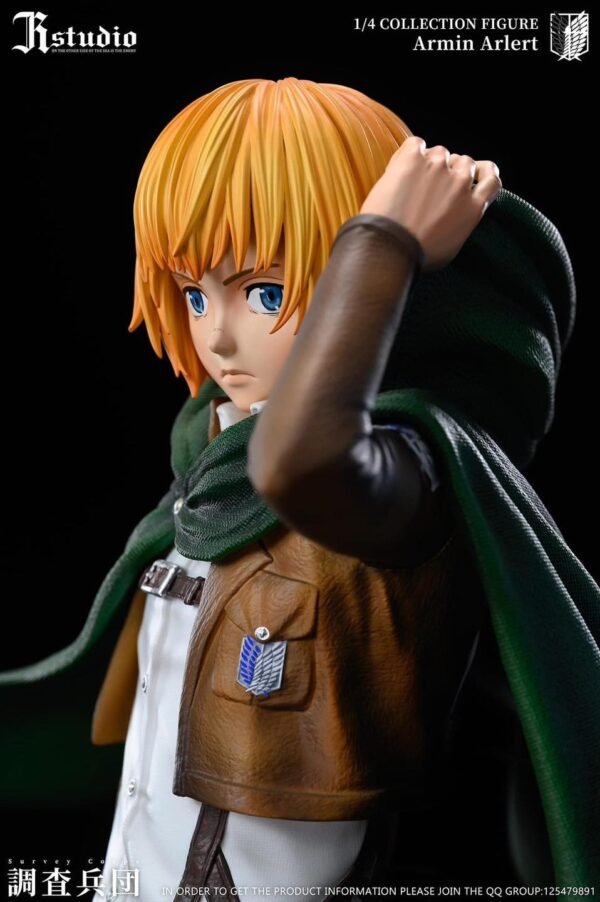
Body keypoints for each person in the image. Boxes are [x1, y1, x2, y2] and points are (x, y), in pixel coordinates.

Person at [1, 78, 598, 897]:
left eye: (266, 292)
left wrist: (384, 241)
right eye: (194, 292)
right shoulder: (208, 465)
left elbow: (300, 465)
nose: (217, 334)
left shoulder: (402, 474)